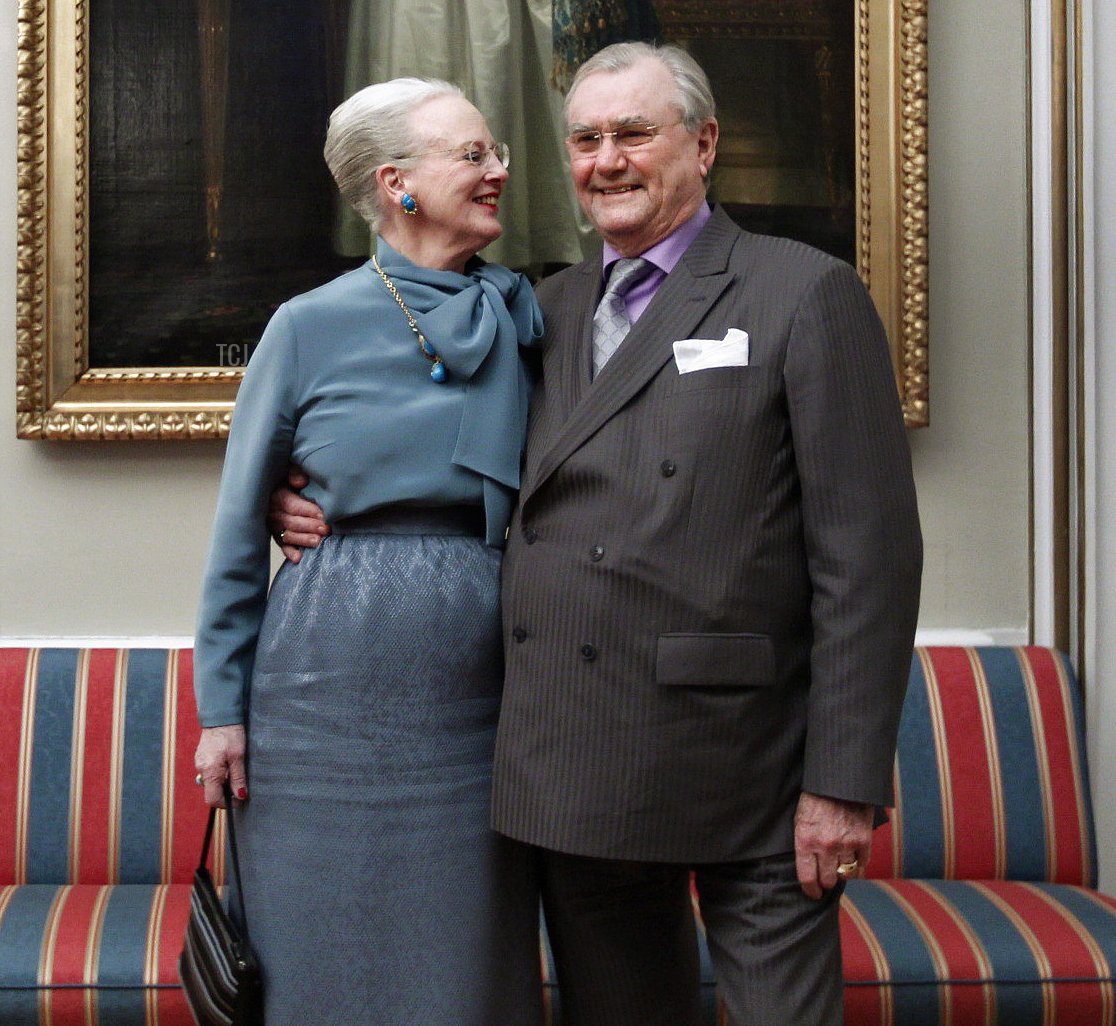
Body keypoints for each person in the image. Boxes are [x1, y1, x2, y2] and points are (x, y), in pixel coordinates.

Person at [272, 42, 923, 1026]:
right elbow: (431, 431)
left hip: (752, 766)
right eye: (586, 139)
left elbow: (869, 558)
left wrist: (844, 782)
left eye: (634, 134)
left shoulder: (802, 293)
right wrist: (312, 490)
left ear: (704, 145)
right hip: (578, 762)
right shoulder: (546, 309)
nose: (606, 160)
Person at [193, 77, 544, 1026]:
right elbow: (234, 529)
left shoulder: (530, 315)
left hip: (487, 702)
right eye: (473, 155)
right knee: (324, 959)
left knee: (466, 966)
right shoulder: (308, 326)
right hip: (322, 702)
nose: (499, 171)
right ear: (398, 183)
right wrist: (220, 711)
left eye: (496, 152)